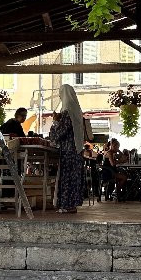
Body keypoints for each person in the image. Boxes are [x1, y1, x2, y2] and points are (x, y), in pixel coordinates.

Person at [48, 85, 86, 214]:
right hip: (76, 150)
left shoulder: (67, 110)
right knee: (73, 179)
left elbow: (59, 134)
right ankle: (72, 205)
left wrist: (55, 122)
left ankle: (68, 205)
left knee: (67, 178)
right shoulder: (76, 109)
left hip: (69, 151)